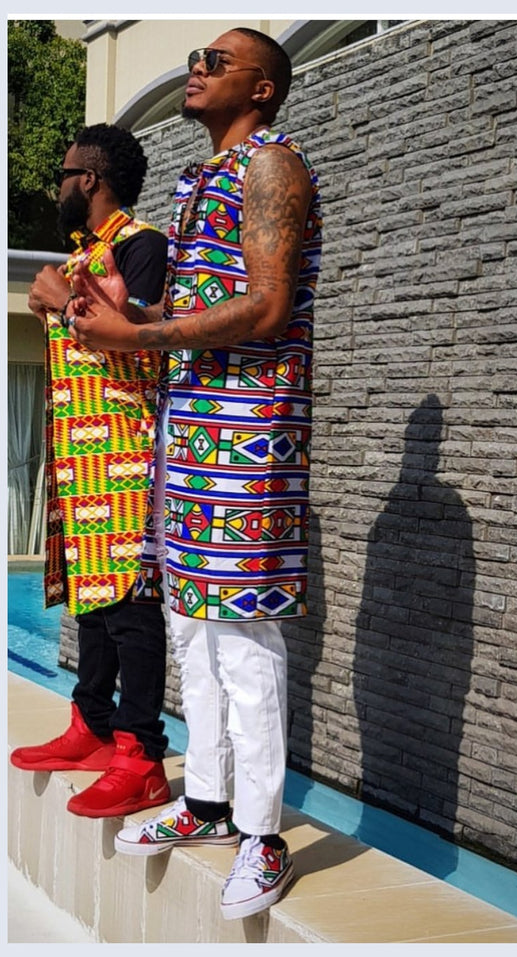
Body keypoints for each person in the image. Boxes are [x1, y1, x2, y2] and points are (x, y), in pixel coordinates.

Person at [70, 29, 322, 920]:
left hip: (248, 425)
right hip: (192, 422)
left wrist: (138, 336)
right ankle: (209, 800)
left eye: (216, 61)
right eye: (195, 59)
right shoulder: (199, 180)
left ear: (261, 89)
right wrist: (120, 312)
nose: (196, 69)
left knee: (243, 630)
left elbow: (267, 304)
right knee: (189, 623)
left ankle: (262, 831)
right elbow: (191, 308)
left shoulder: (271, 165)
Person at [10, 123, 172, 820]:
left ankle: (141, 752)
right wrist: (51, 301)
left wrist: (59, 303)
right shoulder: (86, 253)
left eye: (63, 174)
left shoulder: (143, 245)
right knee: (93, 602)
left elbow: (142, 336)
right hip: (83, 455)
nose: (58, 187)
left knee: (131, 605)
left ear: (90, 179)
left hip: (126, 451)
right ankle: (93, 726)